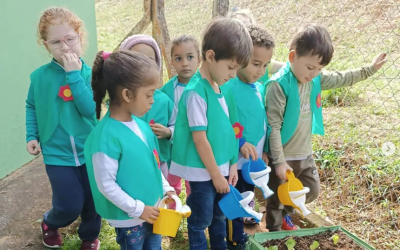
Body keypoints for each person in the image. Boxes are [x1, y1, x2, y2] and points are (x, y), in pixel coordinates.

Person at [265, 23, 387, 231]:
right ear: (292, 57)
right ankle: (274, 233)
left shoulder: (315, 80)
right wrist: (278, 161)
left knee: (311, 190)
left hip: (304, 152)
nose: (314, 73)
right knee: (276, 197)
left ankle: (287, 212)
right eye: (310, 67)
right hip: (283, 153)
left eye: (319, 69)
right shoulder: (278, 85)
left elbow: (343, 78)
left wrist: (370, 69)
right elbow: (273, 127)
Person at [169, 18, 253, 250]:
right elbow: (200, 139)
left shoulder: (222, 88)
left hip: (221, 169)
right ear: (210, 56)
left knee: (219, 215)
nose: (234, 75)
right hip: (202, 172)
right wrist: (216, 175)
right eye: (231, 67)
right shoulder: (196, 92)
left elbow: (229, 131)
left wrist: (232, 165)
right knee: (201, 219)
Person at [25, 7, 101, 249]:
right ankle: (50, 221)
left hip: (89, 150)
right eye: (56, 42)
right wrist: (32, 135)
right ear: (46, 45)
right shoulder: (39, 77)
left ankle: (89, 237)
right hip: (57, 154)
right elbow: (31, 107)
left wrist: (74, 76)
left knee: (92, 202)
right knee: (69, 204)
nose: (65, 47)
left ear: (80, 37)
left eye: (70, 39)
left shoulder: (90, 74)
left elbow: (89, 110)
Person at [85, 50, 176, 250]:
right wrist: (138, 209)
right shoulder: (106, 137)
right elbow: (106, 185)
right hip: (129, 220)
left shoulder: (142, 126)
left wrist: (166, 189)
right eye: (149, 94)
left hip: (151, 210)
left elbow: (154, 165)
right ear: (127, 94)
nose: (153, 100)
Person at [222, 24, 275, 249]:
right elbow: (225, 123)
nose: (261, 70)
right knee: (235, 198)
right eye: (255, 64)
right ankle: (235, 239)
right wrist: (240, 142)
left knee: (247, 192)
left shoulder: (259, 86)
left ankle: (245, 222)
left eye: (265, 65)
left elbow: (261, 121)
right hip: (234, 160)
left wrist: (264, 150)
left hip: (252, 161)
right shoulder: (230, 87)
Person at [119, 34, 176, 178]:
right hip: (130, 163)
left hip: (160, 163)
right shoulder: (121, 99)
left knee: (164, 196)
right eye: (136, 58)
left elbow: (178, 126)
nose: (142, 64)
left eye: (149, 60)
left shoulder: (164, 100)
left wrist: (168, 132)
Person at [161, 34, 201, 202]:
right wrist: (169, 132)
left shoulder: (205, 87)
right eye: (179, 58)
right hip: (174, 150)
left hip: (198, 150)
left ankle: (194, 217)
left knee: (196, 186)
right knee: (171, 186)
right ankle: (171, 217)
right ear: (172, 62)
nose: (185, 63)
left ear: (199, 59)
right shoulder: (167, 91)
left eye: (190, 57)